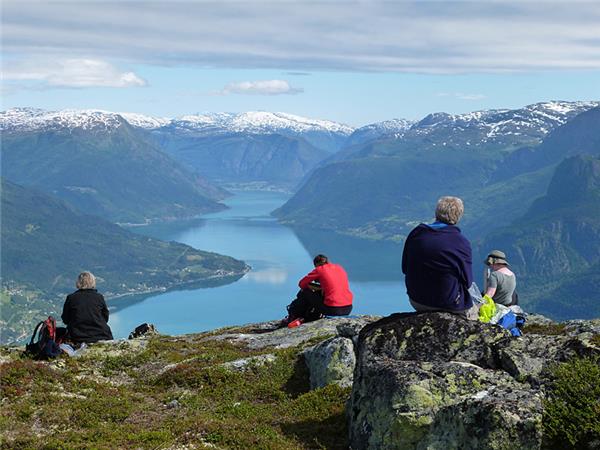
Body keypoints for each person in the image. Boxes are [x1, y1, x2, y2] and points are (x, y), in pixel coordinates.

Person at [402, 196, 478, 319]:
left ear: (436, 212)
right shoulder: (461, 242)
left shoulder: (416, 234)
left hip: (417, 300)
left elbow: (405, 268)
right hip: (448, 303)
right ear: (459, 216)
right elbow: (468, 281)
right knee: (476, 313)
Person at [283, 254, 353, 326]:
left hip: (333, 310)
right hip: (348, 308)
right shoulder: (339, 268)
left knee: (305, 291)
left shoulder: (320, 269)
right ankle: (311, 315)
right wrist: (321, 288)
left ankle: (294, 316)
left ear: (316, 265)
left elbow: (301, 284)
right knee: (322, 294)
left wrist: (314, 288)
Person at [61, 271, 113, 343]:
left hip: (77, 337)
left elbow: (65, 319)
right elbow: (105, 318)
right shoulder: (99, 297)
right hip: (102, 336)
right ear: (93, 282)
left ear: (78, 282)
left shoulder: (71, 298)